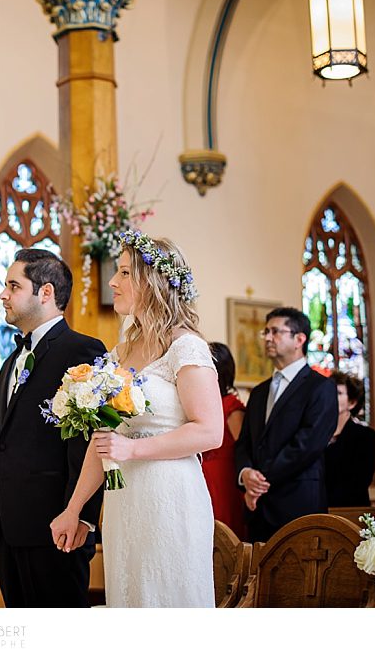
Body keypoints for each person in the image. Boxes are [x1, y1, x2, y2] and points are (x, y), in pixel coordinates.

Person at [50, 232, 223, 607]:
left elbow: (210, 431)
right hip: (124, 501)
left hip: (169, 496)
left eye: (125, 273)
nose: (113, 282)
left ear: (154, 282)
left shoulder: (186, 346)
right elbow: (104, 443)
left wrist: (133, 448)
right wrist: (74, 508)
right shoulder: (120, 352)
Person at [0, 248, 106, 607]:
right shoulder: (9, 363)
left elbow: (90, 441)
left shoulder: (83, 351)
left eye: (13, 286)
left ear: (45, 293)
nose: (3, 295)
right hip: (8, 525)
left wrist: (83, 516)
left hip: (57, 525)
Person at [233, 307, 337, 542]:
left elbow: (307, 445)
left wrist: (259, 481)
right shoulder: (259, 392)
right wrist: (245, 473)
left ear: (299, 339)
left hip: (297, 503)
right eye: (266, 332)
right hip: (258, 508)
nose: (268, 338)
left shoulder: (320, 387)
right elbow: (245, 443)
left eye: (276, 332)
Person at [205, 342, 247, 539]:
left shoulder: (231, 406)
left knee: (223, 532)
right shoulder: (203, 401)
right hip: (201, 474)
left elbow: (243, 445)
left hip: (223, 477)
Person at [324, 371, 375, 507]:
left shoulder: (365, 436)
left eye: (338, 393)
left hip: (350, 511)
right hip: (316, 510)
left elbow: (360, 481)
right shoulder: (315, 435)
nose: (330, 396)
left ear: (352, 403)